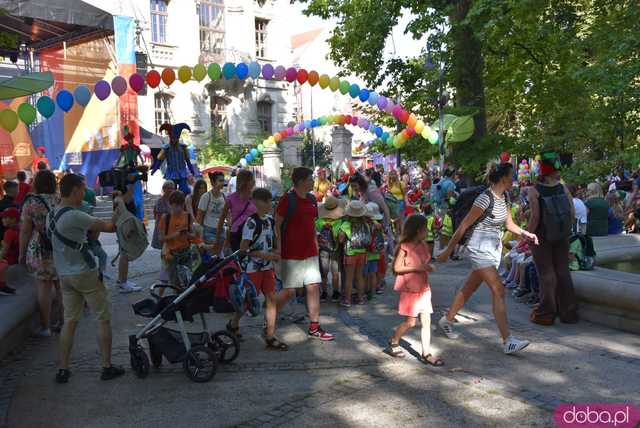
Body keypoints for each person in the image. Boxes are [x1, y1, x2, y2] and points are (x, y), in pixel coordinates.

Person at [437, 161, 537, 355]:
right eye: (511, 175)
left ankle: (447, 320)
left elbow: (509, 224)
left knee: (469, 287)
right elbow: (464, 225)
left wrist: (526, 233)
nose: (514, 178)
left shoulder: (505, 196)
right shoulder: (484, 199)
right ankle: (508, 340)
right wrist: (448, 250)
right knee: (498, 289)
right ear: (502, 178)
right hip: (478, 247)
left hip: (492, 248)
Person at [50, 174, 125, 383]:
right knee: (102, 318)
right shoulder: (75, 216)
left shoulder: (52, 215)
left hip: (64, 274)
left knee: (70, 321)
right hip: (84, 272)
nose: (85, 193)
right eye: (82, 190)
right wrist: (117, 205)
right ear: (74, 191)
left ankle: (63, 369)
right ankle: (106, 366)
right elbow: (109, 227)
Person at [276, 167, 334, 341]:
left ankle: (315, 326)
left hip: (310, 252)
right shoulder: (287, 199)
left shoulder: (311, 199)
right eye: (310, 178)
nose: (313, 181)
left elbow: (311, 224)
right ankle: (270, 316)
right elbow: (277, 224)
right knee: (289, 291)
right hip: (291, 252)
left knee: (313, 287)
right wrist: (278, 247)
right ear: (301, 181)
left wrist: (316, 245)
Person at [229, 188, 286, 349]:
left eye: (271, 201)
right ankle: (233, 324)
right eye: (267, 201)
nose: (271, 204)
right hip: (251, 269)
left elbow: (274, 241)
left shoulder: (269, 220)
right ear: (257, 202)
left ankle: (270, 334)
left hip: (267, 268)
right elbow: (243, 249)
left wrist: (276, 251)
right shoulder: (251, 222)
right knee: (247, 302)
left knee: (271, 300)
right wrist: (264, 255)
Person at [526, 151, 578, 325]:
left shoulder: (535, 191)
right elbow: (572, 212)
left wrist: (527, 235)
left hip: (542, 237)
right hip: (562, 235)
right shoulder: (562, 187)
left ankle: (545, 314)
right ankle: (569, 313)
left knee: (546, 274)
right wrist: (566, 230)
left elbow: (535, 217)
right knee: (563, 271)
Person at [386, 214, 443, 366]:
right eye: (425, 228)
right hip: (410, 289)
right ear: (418, 230)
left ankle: (426, 353)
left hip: (423, 288)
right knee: (410, 322)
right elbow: (397, 267)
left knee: (426, 320)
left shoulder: (424, 245)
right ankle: (394, 341)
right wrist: (419, 267)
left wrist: (428, 267)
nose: (427, 231)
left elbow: (425, 262)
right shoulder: (405, 246)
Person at [19, 171, 63, 335]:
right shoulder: (60, 198)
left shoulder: (31, 202)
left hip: (40, 248)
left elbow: (25, 231)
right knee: (61, 287)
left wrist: (22, 254)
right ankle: (64, 323)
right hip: (60, 247)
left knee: (44, 288)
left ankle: (46, 327)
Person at [158, 191, 199, 288]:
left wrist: (188, 234)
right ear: (170, 204)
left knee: (188, 280)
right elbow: (161, 238)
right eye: (176, 205)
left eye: (181, 205)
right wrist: (175, 235)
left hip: (186, 253)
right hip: (171, 255)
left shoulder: (187, 216)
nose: (179, 208)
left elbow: (194, 236)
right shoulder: (166, 218)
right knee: (174, 283)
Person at [338, 201, 371, 306]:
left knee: (349, 277)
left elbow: (341, 239)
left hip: (350, 253)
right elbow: (369, 240)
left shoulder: (346, 224)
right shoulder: (366, 224)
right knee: (359, 276)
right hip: (362, 253)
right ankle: (360, 298)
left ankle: (347, 300)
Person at [215, 169, 256, 253]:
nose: (254, 181)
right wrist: (218, 238)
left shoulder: (255, 197)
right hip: (237, 234)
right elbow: (222, 218)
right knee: (240, 261)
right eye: (252, 179)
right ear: (245, 181)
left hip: (253, 233)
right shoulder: (231, 198)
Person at [316, 195, 344, 302]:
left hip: (323, 250)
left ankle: (324, 293)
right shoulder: (339, 222)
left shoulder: (319, 222)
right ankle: (336, 292)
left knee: (323, 272)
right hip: (335, 250)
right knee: (335, 272)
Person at [197, 172, 226, 245]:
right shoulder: (206, 197)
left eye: (223, 180)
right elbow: (199, 216)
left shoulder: (224, 197)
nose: (222, 183)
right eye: (220, 181)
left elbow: (227, 214)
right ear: (213, 182)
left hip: (221, 230)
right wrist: (199, 236)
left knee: (218, 254)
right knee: (212, 252)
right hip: (208, 229)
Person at [364, 202, 385, 298]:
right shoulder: (378, 225)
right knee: (373, 273)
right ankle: (372, 292)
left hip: (367, 252)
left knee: (366, 274)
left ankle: (366, 291)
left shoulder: (365, 224)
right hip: (376, 252)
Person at [0, 208, 20, 295]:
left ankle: (2, 286)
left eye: (5, 218)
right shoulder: (21, 229)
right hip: (16, 259)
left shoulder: (9, 232)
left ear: (13, 219)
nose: (2, 220)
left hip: (9, 260)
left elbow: (4, 252)